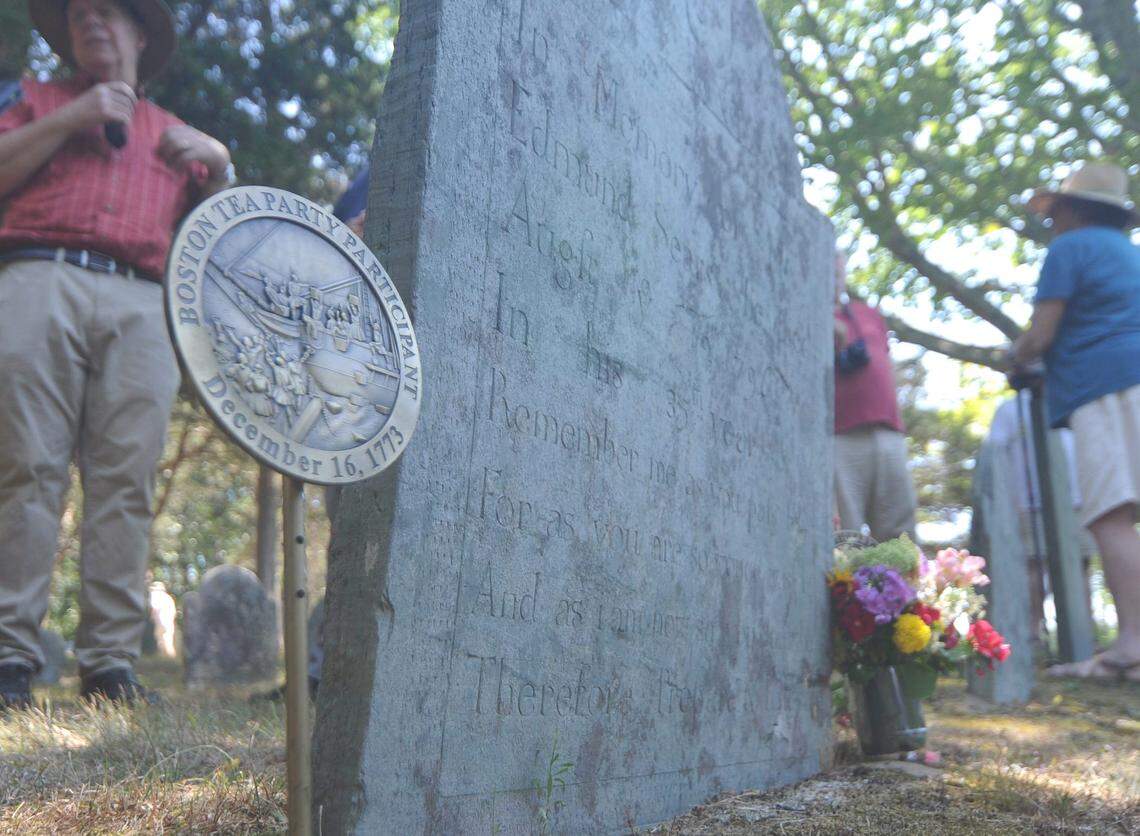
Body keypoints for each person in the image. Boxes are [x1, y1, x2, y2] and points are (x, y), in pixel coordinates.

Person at [0, 0, 234, 707]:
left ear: (140, 32)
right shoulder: (32, 100)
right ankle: (10, 654)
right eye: (77, 17)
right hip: (38, 274)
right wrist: (74, 117)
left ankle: (108, 663)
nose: (90, 23)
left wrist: (221, 167)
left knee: (126, 480)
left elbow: (224, 248)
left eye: (107, 11)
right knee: (27, 466)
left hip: (145, 300)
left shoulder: (178, 137)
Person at [1012, 161, 1140, 682]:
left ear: (1071, 210)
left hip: (1103, 385)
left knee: (1111, 513)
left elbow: (1042, 334)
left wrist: (1017, 356)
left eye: (1055, 211)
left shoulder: (1069, 249)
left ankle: (1131, 647)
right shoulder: (1129, 254)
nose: (1050, 222)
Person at [833, 251, 918, 543]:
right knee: (846, 534)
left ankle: (905, 588)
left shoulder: (867, 313)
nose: (833, 272)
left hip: (888, 430)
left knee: (901, 535)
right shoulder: (802, 316)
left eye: (838, 267)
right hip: (839, 435)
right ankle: (849, 590)